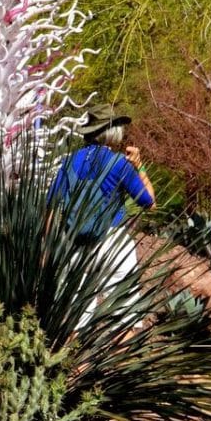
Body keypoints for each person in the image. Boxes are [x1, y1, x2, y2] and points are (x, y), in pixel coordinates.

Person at [49, 102, 155, 325]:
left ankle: (75, 360)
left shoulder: (67, 162)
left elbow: (50, 207)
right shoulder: (119, 163)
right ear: (111, 131)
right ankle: (122, 358)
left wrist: (48, 248)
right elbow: (148, 202)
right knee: (124, 316)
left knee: (74, 320)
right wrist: (140, 166)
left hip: (73, 243)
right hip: (111, 241)